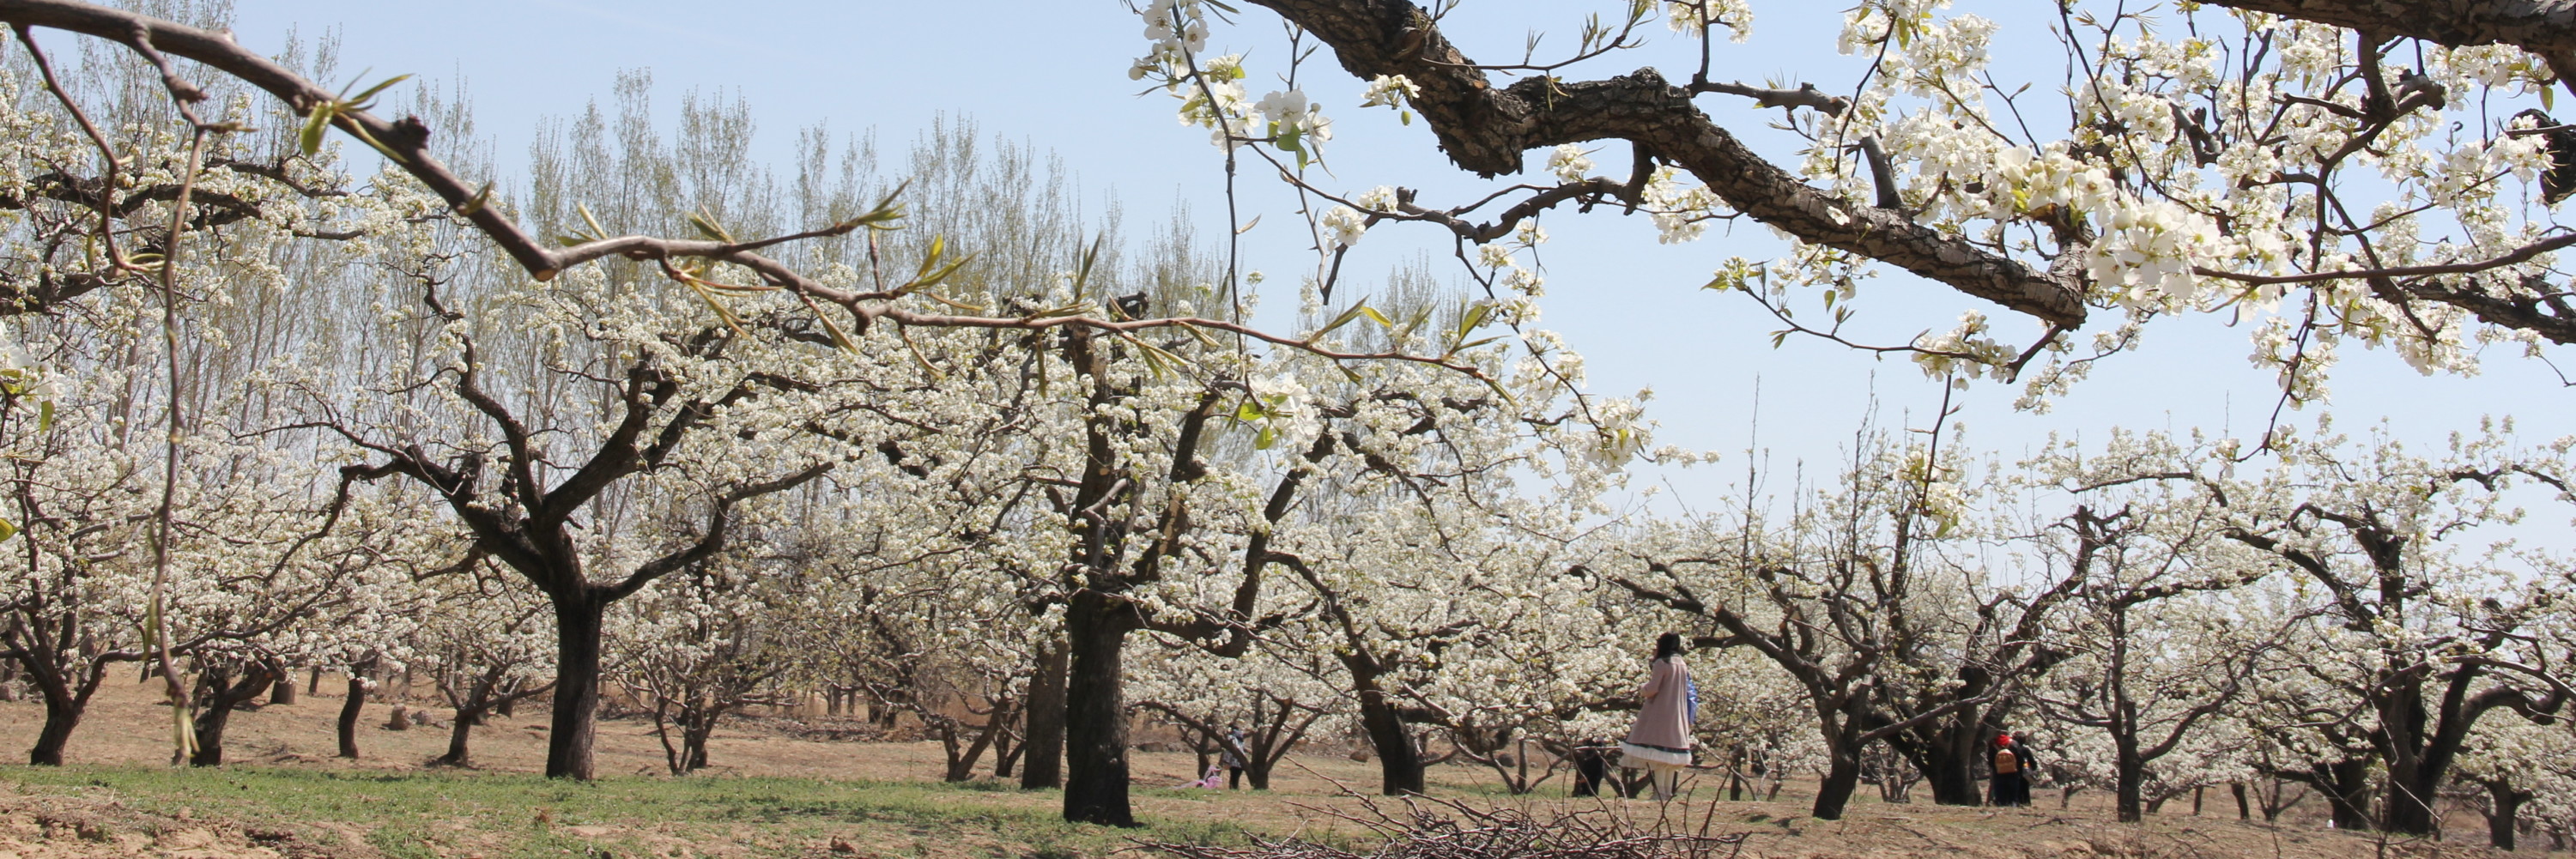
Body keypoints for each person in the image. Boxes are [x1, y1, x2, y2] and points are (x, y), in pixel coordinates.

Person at [1619, 632, 1694, 802]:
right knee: (1670, 757)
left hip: (1661, 711)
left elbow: (1653, 688)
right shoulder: (1682, 663)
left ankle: (1659, 792)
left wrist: (1642, 689)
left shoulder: (1662, 663)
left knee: (1659, 753)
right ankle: (1666, 791)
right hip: (1678, 711)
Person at [1990, 732, 2028, 808]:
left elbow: (1990, 761)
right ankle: (2013, 806)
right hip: (2013, 773)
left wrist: (1996, 769)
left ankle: (2001, 805)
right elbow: (2020, 759)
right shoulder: (2014, 744)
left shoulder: (1993, 744)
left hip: (1998, 773)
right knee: (2013, 795)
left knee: (2000, 794)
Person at [1221, 724, 1247, 790]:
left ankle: (1233, 790)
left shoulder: (1231, 738)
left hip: (1234, 762)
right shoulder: (1240, 739)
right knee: (1236, 777)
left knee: (1233, 778)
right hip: (1242, 762)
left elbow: (1229, 751)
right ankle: (1235, 789)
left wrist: (1226, 761)